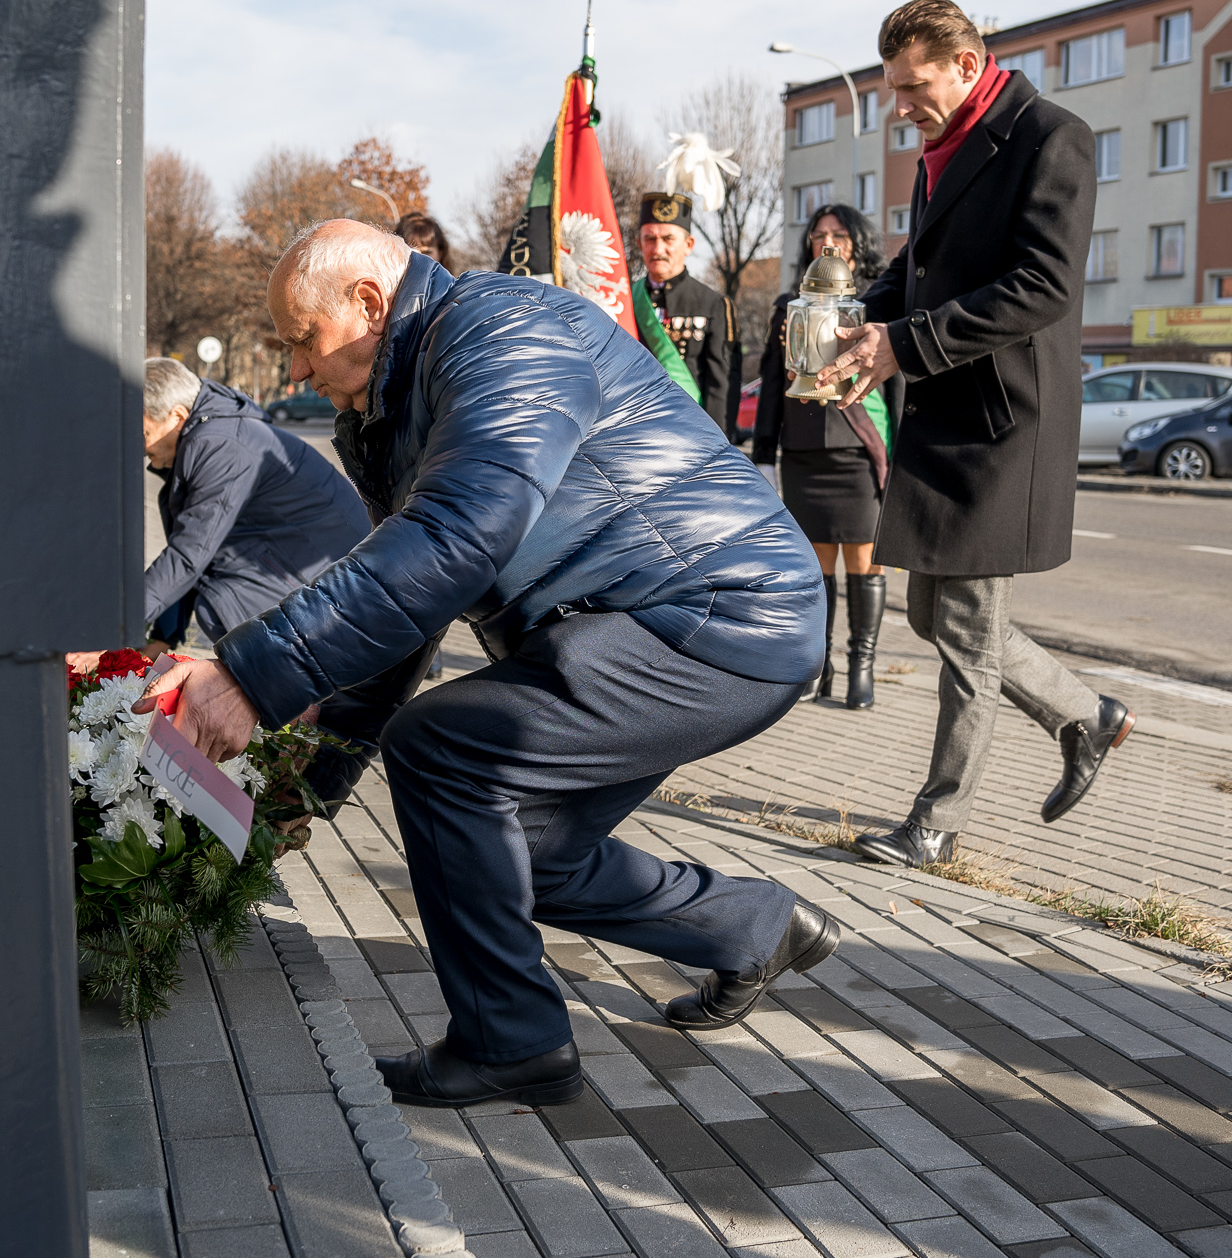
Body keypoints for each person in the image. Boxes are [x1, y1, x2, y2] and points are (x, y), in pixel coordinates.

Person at [142, 220, 839, 1108]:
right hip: (629, 621)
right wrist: (306, 786)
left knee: (442, 743)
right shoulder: (385, 414)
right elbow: (407, 608)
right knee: (512, 854)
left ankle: (512, 1042)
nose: (298, 374)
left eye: (304, 342)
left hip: (723, 606)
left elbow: (460, 536)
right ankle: (754, 926)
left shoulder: (504, 330)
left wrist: (245, 677)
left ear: (367, 303)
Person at [814, 0, 1136, 869]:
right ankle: (1085, 715)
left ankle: (936, 823)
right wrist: (856, 320)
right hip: (948, 413)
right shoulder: (939, 148)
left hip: (1004, 422)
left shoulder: (1052, 136)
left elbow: (1044, 285)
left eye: (913, 86)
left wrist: (904, 343)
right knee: (933, 609)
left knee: (963, 624)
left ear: (967, 64)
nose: (900, 105)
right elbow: (921, 277)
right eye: (892, 89)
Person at [754, 203, 902, 709]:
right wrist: (763, 457)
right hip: (802, 452)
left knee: (863, 559)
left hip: (858, 451)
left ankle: (862, 664)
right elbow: (773, 388)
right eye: (818, 235)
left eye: (838, 234)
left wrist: (901, 452)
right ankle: (820, 664)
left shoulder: (881, 304)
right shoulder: (785, 306)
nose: (827, 242)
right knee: (815, 565)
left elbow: (897, 388)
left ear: (857, 244)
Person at [139, 356, 368, 653]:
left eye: (143, 432)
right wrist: (162, 637)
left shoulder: (219, 443)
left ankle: (303, 688)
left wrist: (113, 631)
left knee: (221, 599)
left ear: (177, 416)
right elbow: (191, 545)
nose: (141, 447)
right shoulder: (212, 431)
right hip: (311, 566)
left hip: (340, 588)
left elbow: (189, 555)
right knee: (217, 589)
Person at [632, 192, 740, 436]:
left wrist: (717, 445)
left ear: (688, 245)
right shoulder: (625, 300)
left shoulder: (713, 304)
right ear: (639, 244)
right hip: (634, 431)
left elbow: (721, 384)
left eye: (668, 239)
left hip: (690, 433)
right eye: (649, 239)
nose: (657, 249)